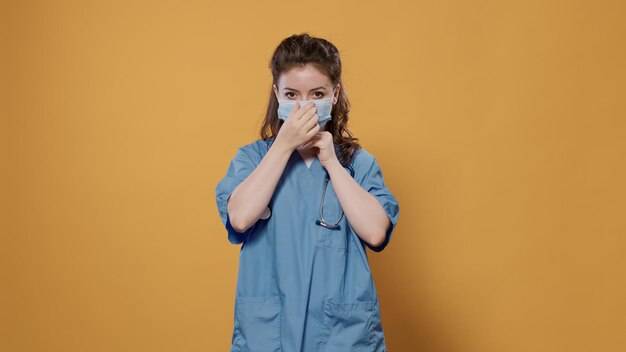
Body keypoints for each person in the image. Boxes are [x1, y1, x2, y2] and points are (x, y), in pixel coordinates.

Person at [215, 33, 400, 352]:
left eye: (317, 94)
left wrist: (331, 162)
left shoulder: (358, 164)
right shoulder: (252, 159)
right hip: (270, 333)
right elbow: (241, 218)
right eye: (291, 94)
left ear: (334, 94)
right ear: (277, 93)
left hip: (342, 334)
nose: (304, 106)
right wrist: (284, 145)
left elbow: (375, 232)